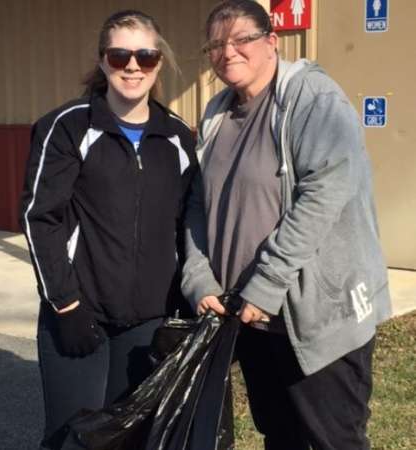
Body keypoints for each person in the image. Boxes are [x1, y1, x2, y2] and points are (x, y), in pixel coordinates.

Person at [181, 1, 392, 449]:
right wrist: (199, 278)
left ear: (272, 41)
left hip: (319, 314)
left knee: (333, 439)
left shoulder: (314, 99)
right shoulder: (218, 111)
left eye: (242, 39)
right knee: (279, 435)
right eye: (216, 44)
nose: (228, 52)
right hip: (251, 317)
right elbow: (200, 202)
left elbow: (323, 194)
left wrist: (267, 283)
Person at [20, 10, 197, 450]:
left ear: (158, 63)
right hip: (81, 312)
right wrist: (64, 304)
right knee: (72, 438)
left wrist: (185, 303)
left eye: (145, 55)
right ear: (102, 62)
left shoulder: (176, 137)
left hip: (148, 319)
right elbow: (39, 217)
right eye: (120, 56)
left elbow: (187, 225)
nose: (132, 66)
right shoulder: (68, 127)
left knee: (130, 437)